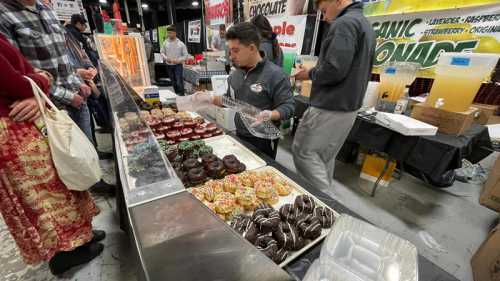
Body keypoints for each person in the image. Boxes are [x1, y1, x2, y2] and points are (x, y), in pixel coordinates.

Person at [0, 33, 104, 276]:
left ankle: (81, 236)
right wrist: (43, 78)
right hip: (13, 132)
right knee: (43, 198)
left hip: (30, 124)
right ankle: (63, 254)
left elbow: (27, 74)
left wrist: (37, 78)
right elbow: (16, 83)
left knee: (63, 183)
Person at [292, 0, 376, 191]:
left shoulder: (344, 23)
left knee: (305, 154)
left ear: (338, 1)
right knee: (322, 158)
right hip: (346, 108)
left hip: (330, 106)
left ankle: (324, 207)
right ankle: (324, 204)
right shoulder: (363, 23)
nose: (324, 17)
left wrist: (309, 73)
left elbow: (334, 69)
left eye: (323, 10)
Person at [192, 23, 294, 159]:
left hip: (264, 139)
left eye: (236, 50)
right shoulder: (235, 75)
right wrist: (209, 98)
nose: (231, 56)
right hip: (239, 134)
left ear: (252, 48)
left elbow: (289, 106)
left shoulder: (276, 75)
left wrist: (271, 114)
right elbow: (229, 100)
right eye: (230, 51)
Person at [0, 0, 92, 142]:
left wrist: (77, 81)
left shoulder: (47, 10)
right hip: (45, 108)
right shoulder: (4, 15)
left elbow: (62, 56)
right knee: (64, 160)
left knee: (88, 156)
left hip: (77, 100)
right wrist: (67, 96)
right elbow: (17, 74)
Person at [160, 25, 189, 96]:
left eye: (171, 33)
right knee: (173, 81)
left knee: (179, 81)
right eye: (168, 33)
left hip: (178, 65)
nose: (169, 34)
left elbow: (186, 55)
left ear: (175, 33)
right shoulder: (165, 42)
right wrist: (166, 58)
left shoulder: (181, 44)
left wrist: (178, 60)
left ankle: (182, 95)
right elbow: (162, 52)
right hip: (168, 65)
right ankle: (176, 94)